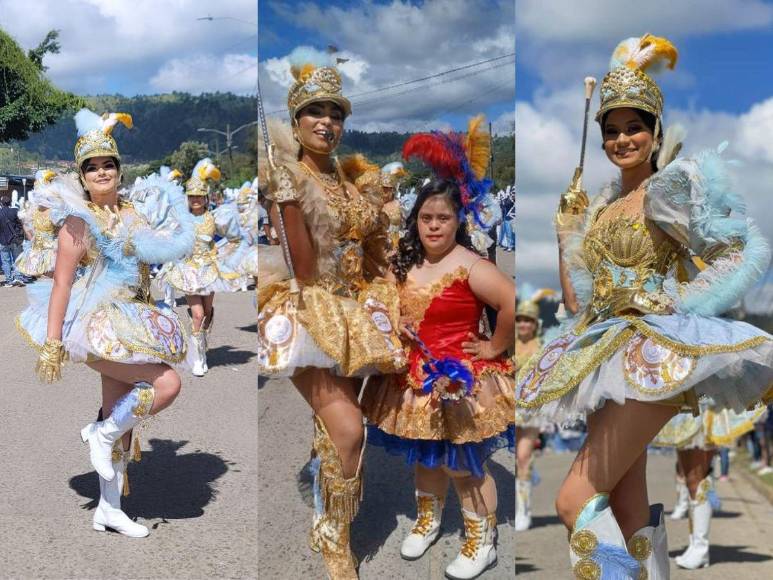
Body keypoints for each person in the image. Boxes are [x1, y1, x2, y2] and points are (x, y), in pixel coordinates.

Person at [516, 34, 773, 579]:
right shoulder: (603, 207)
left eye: (634, 127)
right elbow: (576, 300)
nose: (621, 139)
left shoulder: (669, 190)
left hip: (652, 355)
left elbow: (740, 250)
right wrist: (566, 233)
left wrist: (681, 303)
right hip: (606, 354)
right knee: (630, 513)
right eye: (611, 130)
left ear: (656, 131)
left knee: (572, 501)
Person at [257, 49, 406, 579]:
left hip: (356, 310)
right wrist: (286, 200)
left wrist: (388, 293)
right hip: (308, 307)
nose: (327, 121)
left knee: (346, 421)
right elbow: (301, 266)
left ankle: (325, 480)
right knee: (349, 430)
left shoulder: (350, 184)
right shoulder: (289, 177)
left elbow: (373, 249)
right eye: (315, 111)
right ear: (296, 122)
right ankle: (333, 535)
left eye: (336, 112)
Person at [16, 108, 195, 538]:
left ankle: (108, 510)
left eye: (108, 164)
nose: (101, 172)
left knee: (122, 423)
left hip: (132, 322)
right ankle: (98, 434)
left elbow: (151, 261)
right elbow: (61, 285)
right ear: (82, 176)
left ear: (119, 169)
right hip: (94, 324)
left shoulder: (134, 215)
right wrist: (53, 343)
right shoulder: (77, 222)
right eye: (92, 167)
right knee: (167, 384)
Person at [362, 117, 515, 580]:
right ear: (416, 219)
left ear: (457, 221)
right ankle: (428, 521)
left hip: (462, 382)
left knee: (463, 466)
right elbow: (381, 302)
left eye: (443, 218)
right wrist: (394, 322)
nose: (433, 226)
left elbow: (510, 301)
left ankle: (481, 541)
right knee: (426, 457)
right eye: (426, 218)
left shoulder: (471, 265)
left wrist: (493, 346)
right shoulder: (403, 260)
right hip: (413, 379)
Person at [156, 158, 244, 377]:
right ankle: (198, 357)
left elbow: (233, 238)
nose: (195, 200)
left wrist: (222, 255)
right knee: (197, 314)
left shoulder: (215, 218)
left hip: (209, 271)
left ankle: (201, 344)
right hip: (188, 270)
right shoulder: (181, 218)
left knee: (206, 312)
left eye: (199, 196)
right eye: (191, 196)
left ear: (206, 198)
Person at [652, 402, 765, 568]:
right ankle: (695, 545)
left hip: (702, 407)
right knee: (694, 478)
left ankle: (700, 548)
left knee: (695, 478)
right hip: (691, 406)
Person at [514, 299, 543, 533]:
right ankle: (518, 506)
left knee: (523, 457)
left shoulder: (542, 346)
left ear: (535, 324)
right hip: (509, 405)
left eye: (528, 320)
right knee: (514, 458)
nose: (523, 324)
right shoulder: (509, 344)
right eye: (520, 319)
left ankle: (523, 510)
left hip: (532, 408)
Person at [14, 170, 59, 280]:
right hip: (39, 251)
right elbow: (27, 227)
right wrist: (33, 241)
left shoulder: (56, 211)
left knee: (52, 280)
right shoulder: (33, 210)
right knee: (48, 280)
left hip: (51, 252)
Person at [0, 192, 27, 286]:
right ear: (10, 203)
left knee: (5, 261)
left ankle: (9, 280)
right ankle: (18, 277)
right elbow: (22, 223)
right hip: (15, 240)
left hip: (3, 241)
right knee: (17, 260)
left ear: (1, 203)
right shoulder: (15, 211)